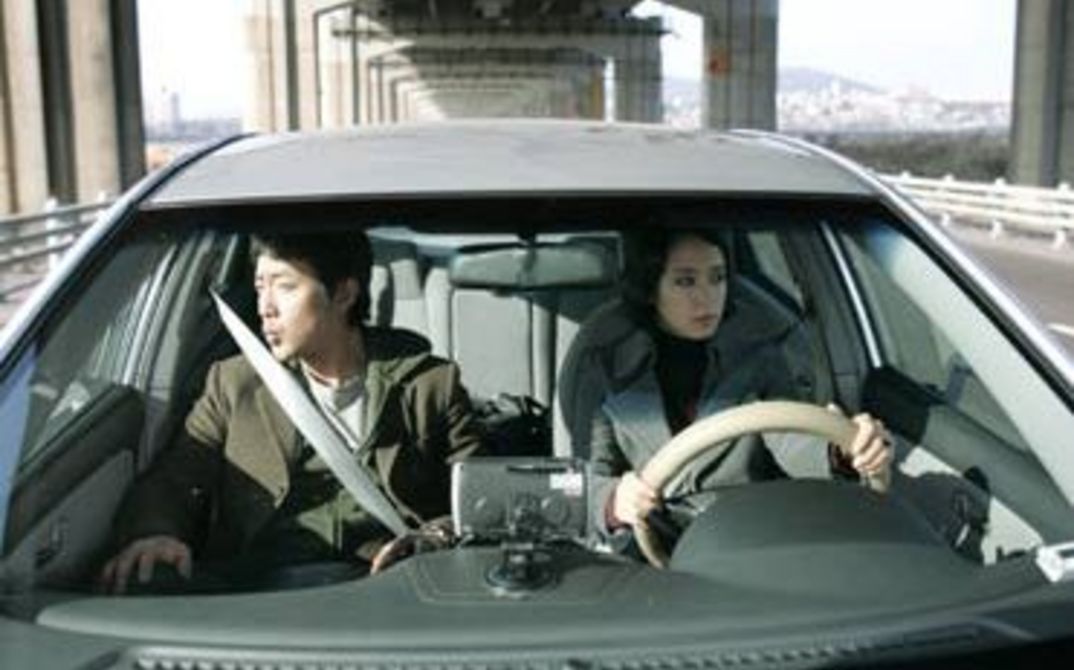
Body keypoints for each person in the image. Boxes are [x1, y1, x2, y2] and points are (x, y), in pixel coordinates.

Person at [99, 231, 482, 594]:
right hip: (261, 590)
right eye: (259, 288)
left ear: (344, 294)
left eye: (285, 287)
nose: (265, 308)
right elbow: (174, 478)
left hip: (389, 587)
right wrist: (156, 533)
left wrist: (432, 539)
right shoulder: (235, 383)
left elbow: (483, 498)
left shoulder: (429, 384)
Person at [585, 229, 893, 545]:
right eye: (686, 281)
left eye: (717, 278)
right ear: (651, 288)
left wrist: (844, 450)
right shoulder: (609, 370)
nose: (707, 297)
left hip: (750, 543)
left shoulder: (759, 360)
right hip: (654, 556)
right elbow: (588, 478)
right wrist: (614, 502)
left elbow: (790, 438)